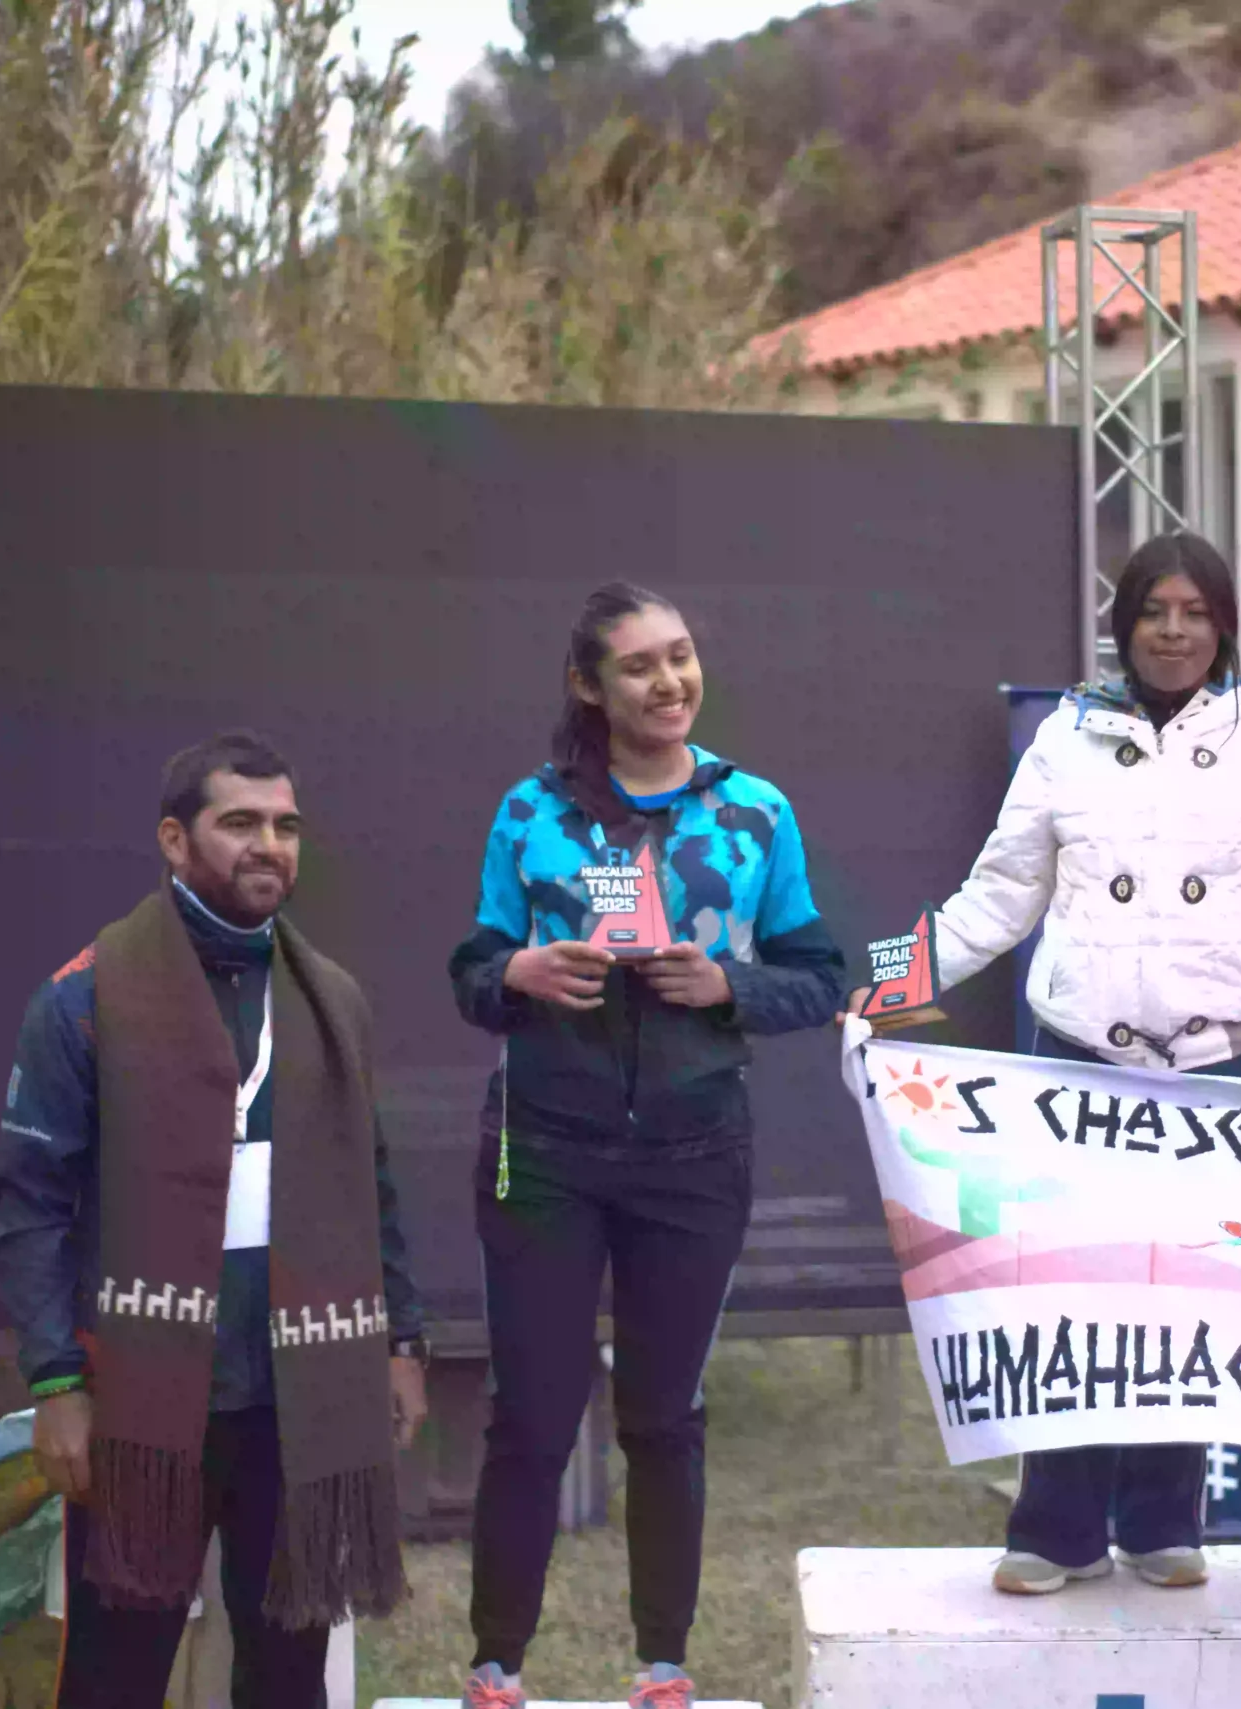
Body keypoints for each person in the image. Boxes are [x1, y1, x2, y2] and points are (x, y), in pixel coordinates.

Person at [850, 530, 1241, 1597]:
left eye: (1195, 612)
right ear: (1123, 624)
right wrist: (887, 982)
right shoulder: (1062, 743)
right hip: (1078, 1063)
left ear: (1224, 626)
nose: (1173, 632)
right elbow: (994, 897)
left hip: (1219, 1070)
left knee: (1190, 1296)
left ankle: (1165, 1522)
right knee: (1070, 1296)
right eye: (1153, 611)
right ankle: (1056, 1531)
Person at [452, 583, 845, 1709]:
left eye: (679, 656)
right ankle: (496, 1665)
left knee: (664, 1415)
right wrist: (519, 971)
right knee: (532, 1413)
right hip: (544, 1153)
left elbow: (820, 975)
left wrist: (730, 986)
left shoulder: (754, 811)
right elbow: (472, 972)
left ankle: (663, 1665)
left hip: (694, 1156)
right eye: (638, 665)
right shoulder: (531, 812)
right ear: (589, 686)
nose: (668, 681)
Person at [0, 731, 429, 1709]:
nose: (269, 844)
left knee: (288, 1673)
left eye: (286, 825)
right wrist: (55, 1379)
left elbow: (373, 1186)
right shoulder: (84, 998)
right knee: (115, 1673)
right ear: (174, 839)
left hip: (296, 1395)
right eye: (240, 822)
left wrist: (401, 1341)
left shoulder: (331, 1001)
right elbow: (32, 1206)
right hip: (143, 1399)